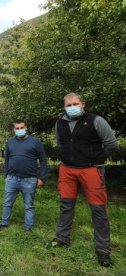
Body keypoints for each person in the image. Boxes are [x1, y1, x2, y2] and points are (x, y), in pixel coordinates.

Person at [48, 93, 118, 267]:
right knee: (65, 205)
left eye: (75, 103)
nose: (72, 107)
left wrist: (96, 158)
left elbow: (111, 144)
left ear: (82, 104)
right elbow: (60, 144)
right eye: (68, 105)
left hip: (91, 170)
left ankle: (103, 250)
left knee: (98, 210)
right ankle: (62, 238)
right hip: (67, 170)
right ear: (64, 107)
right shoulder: (59, 124)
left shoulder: (96, 121)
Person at [0, 119, 48, 232]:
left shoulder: (35, 142)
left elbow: (43, 160)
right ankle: (4, 223)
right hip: (12, 178)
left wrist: (42, 178)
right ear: (13, 129)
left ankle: (28, 227)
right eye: (17, 128)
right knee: (7, 203)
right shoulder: (10, 142)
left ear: (26, 128)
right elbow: (7, 160)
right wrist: (6, 175)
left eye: (22, 128)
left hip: (29, 179)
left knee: (29, 205)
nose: (20, 130)